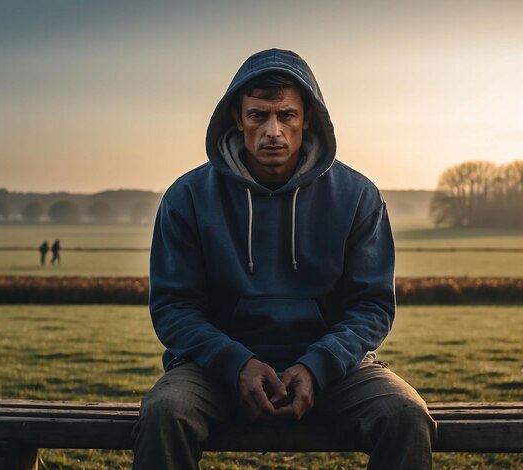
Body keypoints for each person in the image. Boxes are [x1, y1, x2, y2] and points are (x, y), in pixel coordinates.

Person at [133, 48, 436, 470]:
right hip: (214, 371)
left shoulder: (357, 196)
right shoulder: (187, 198)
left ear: (307, 117)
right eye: (258, 115)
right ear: (238, 118)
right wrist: (237, 365)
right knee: (164, 413)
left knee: (405, 415)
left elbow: (371, 305)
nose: (272, 130)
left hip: (334, 370)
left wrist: (315, 367)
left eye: (286, 115)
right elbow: (174, 307)